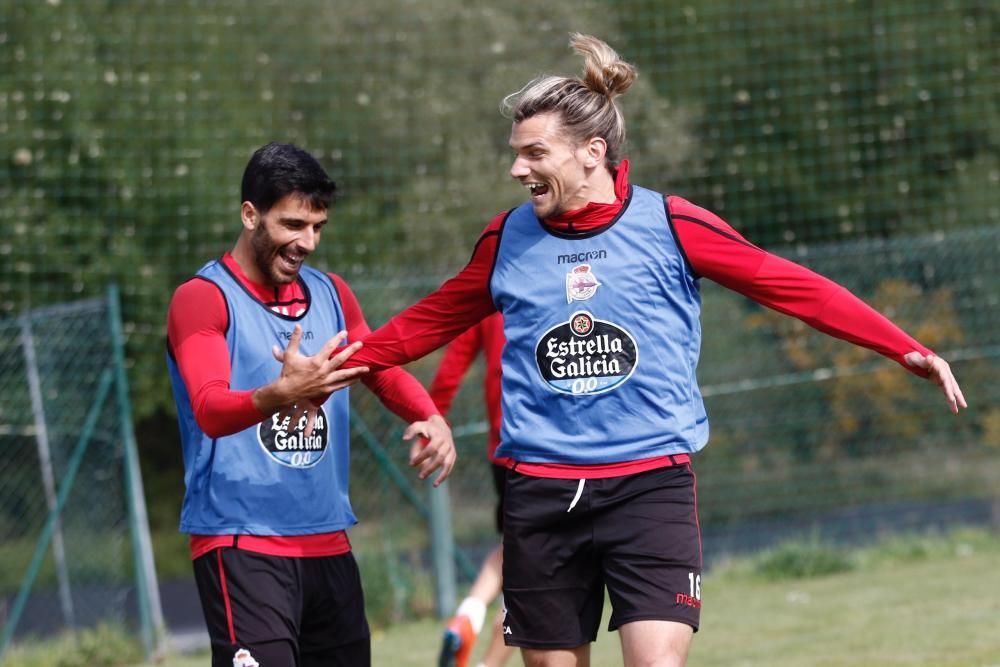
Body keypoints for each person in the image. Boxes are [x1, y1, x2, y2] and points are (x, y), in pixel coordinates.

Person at [340, 34, 967, 667]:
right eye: (515, 154)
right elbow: (425, 323)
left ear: (593, 152)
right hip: (539, 492)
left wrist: (902, 346)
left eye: (535, 153)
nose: (517, 170)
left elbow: (790, 286)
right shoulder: (506, 238)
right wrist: (330, 371)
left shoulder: (671, 224)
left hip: (649, 484)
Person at [165, 142, 456, 667]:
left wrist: (428, 415)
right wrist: (283, 393)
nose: (308, 242)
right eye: (293, 224)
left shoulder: (332, 294)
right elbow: (209, 409)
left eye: (317, 227)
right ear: (249, 213)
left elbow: (377, 369)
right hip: (241, 543)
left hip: (327, 542)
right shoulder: (202, 299)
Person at [430, 312, 516, 667]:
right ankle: (488, 664)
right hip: (548, 449)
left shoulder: (489, 288)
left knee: (514, 547)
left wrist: (434, 416)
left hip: (502, 449)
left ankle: (469, 613)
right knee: (546, 573)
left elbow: (452, 365)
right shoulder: (552, 274)